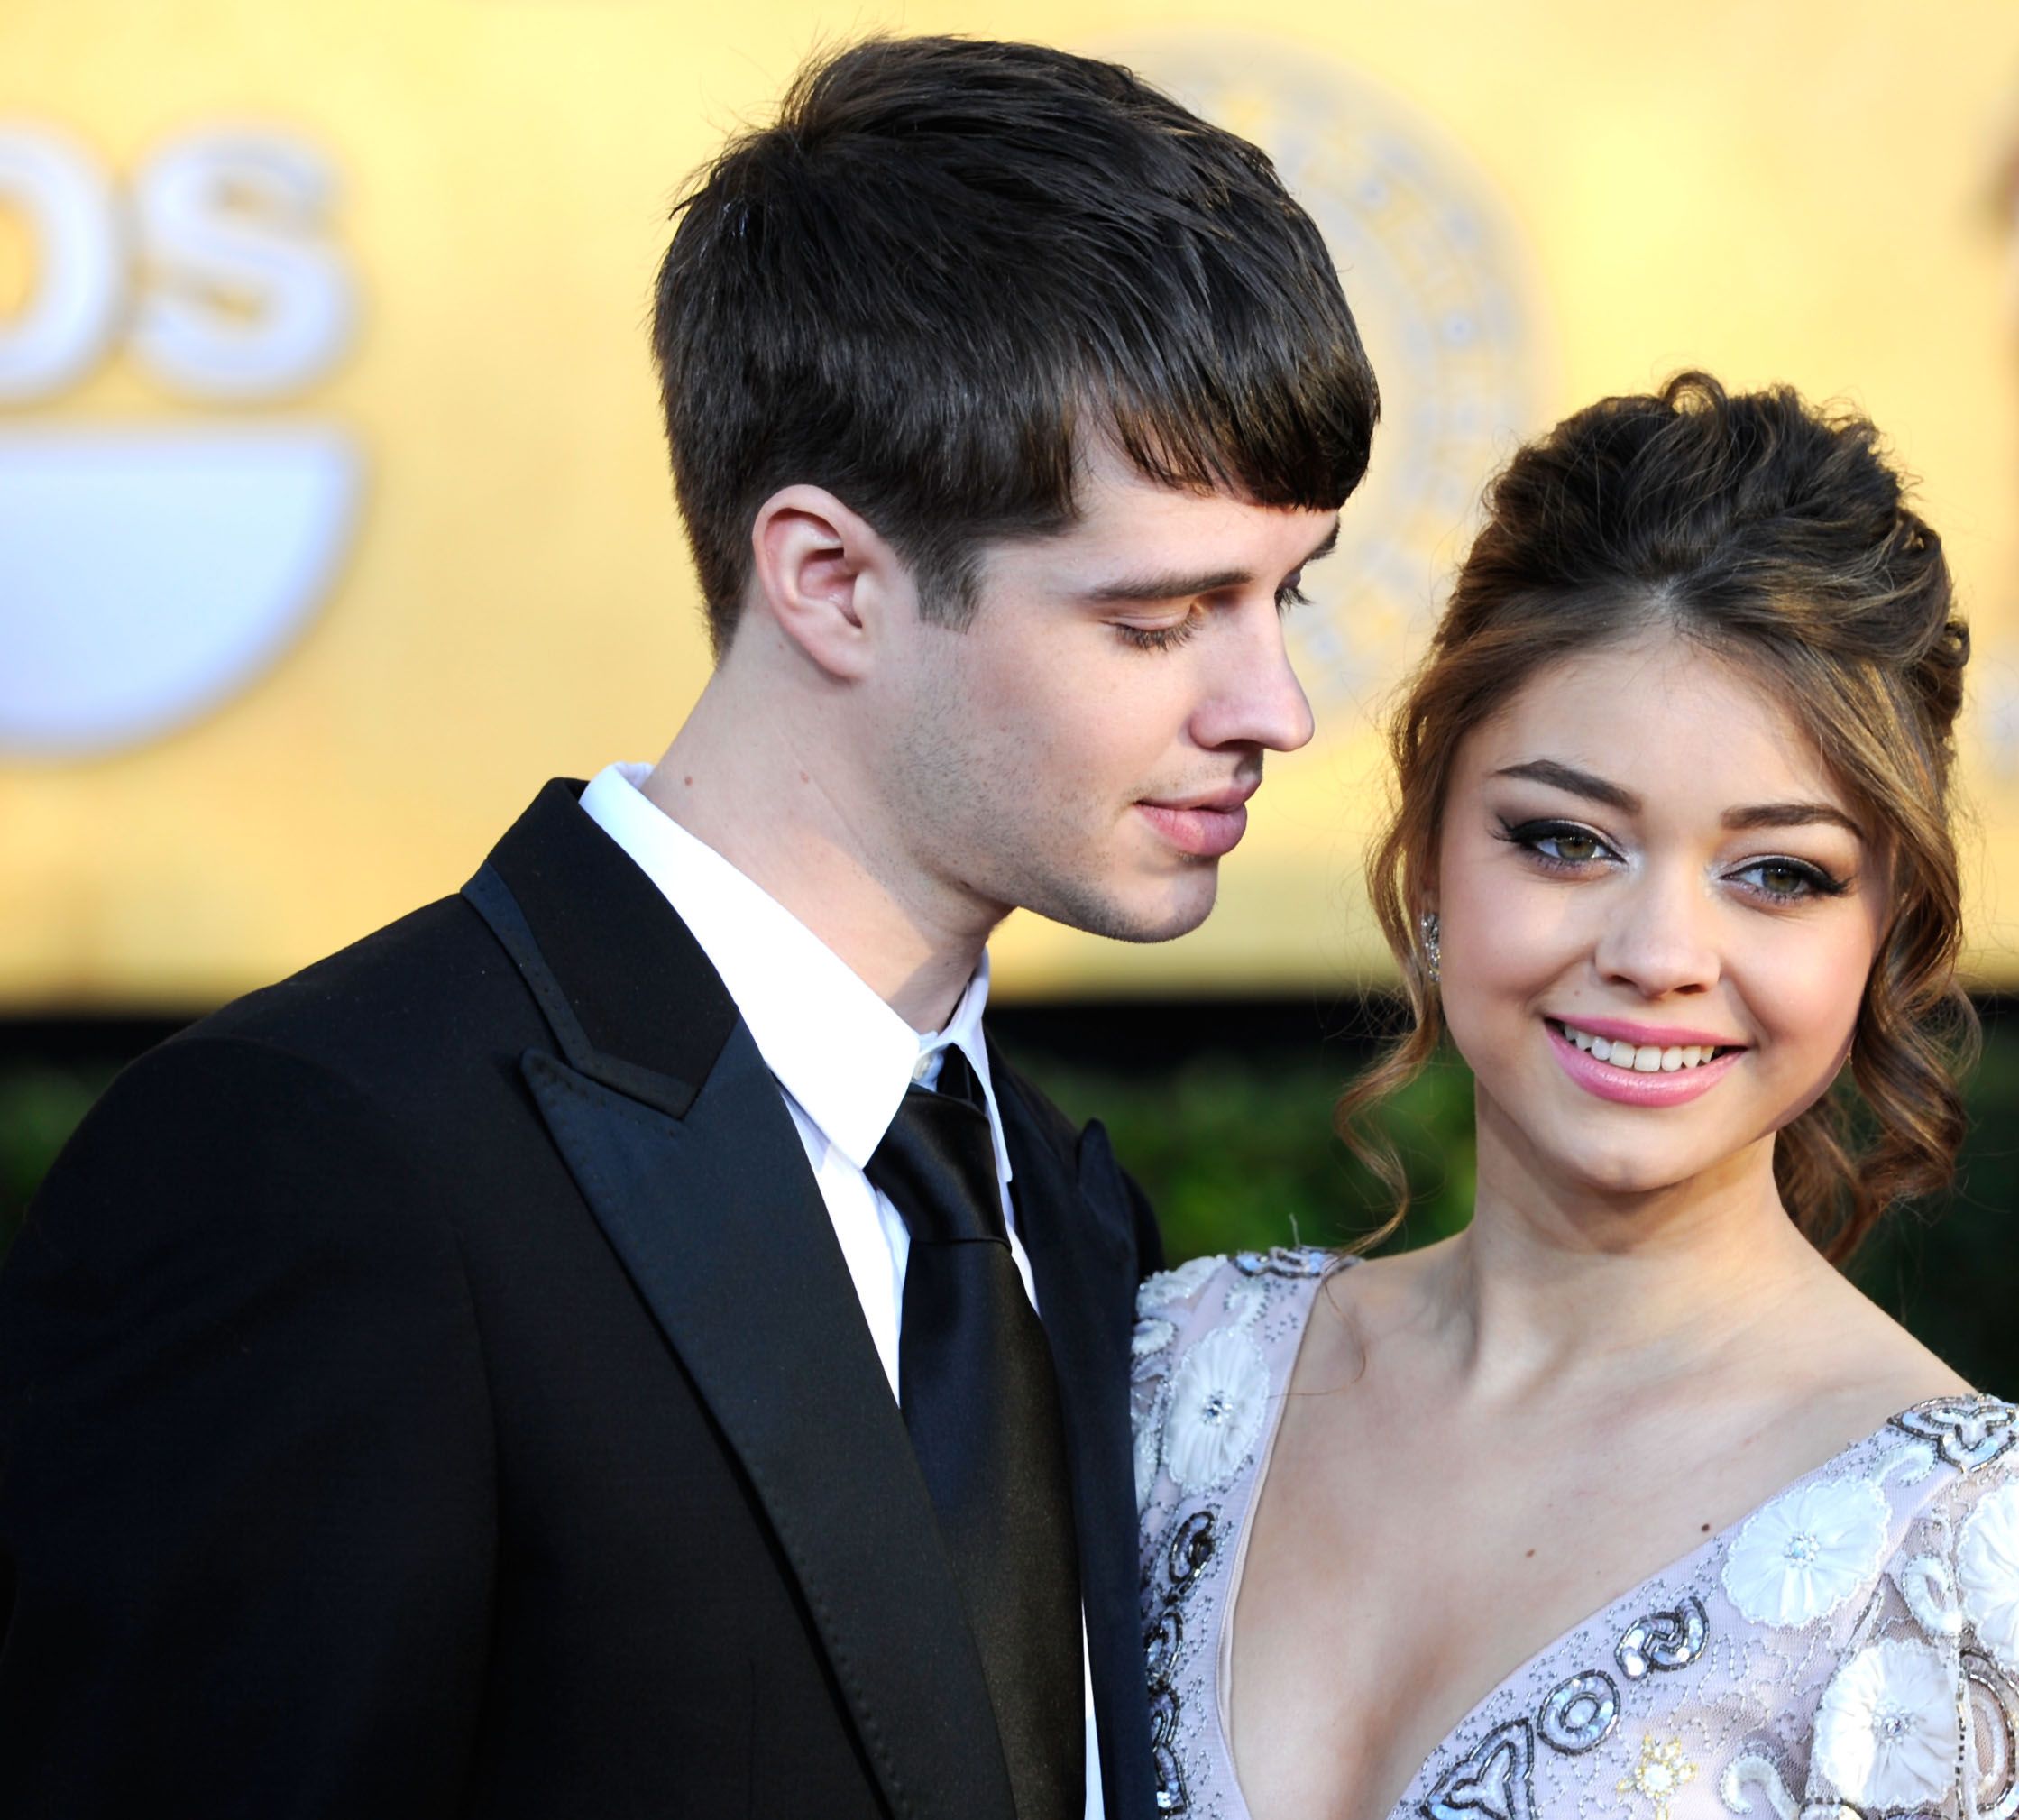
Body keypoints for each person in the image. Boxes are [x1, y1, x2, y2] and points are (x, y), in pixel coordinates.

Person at [0, 35, 1373, 1820]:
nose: (1275, 704)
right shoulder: (326, 1163)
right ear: (827, 576)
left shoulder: (1061, 1204)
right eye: (1161, 615)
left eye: (1288, 594)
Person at [1132, 374, 2019, 1820]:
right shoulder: (1179, 1382)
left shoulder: (1957, 1569)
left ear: (1886, 930)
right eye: (1564, 840)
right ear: (1429, 858)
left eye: (1778, 872)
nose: (1658, 955)